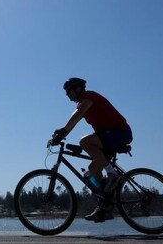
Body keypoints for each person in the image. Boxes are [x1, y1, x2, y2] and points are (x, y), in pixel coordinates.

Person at [49, 77, 133, 222]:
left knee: (85, 142)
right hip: (108, 136)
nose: (67, 95)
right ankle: (105, 207)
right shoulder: (82, 103)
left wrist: (62, 132)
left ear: (77, 89)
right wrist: (61, 135)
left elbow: (77, 116)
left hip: (119, 132)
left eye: (68, 91)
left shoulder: (89, 97)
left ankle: (112, 174)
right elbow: (75, 118)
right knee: (92, 171)